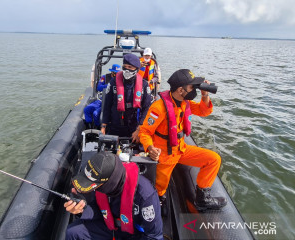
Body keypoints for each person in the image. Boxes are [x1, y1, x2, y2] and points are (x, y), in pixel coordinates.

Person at [139, 69, 227, 211]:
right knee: (160, 190)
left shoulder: (185, 103)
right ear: (181, 90)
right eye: (192, 87)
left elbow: (204, 111)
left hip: (181, 149)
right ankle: (158, 204)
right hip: (165, 155)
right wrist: (150, 148)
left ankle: (202, 198)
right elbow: (145, 131)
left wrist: (205, 95)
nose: (194, 90)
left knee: (213, 159)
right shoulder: (159, 108)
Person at [64, 152, 163, 240]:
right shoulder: (101, 185)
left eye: (94, 186)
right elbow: (99, 211)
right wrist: (82, 210)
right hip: (109, 226)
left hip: (135, 234)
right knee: (72, 232)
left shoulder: (145, 195)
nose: (93, 189)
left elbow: (154, 236)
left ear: (109, 183)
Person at [101, 53, 152, 141]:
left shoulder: (144, 85)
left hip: (134, 127)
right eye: (125, 67)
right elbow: (107, 105)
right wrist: (103, 125)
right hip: (115, 125)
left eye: (130, 67)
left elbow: (147, 108)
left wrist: (139, 129)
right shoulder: (113, 82)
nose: (127, 70)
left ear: (136, 69)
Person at [84, 64, 120, 128]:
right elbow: (99, 88)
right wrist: (109, 85)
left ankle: (97, 127)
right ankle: (88, 126)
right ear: (112, 72)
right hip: (101, 98)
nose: (116, 75)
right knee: (87, 109)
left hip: (111, 101)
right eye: (115, 73)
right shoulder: (105, 77)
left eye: (117, 73)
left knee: (96, 113)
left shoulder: (120, 81)